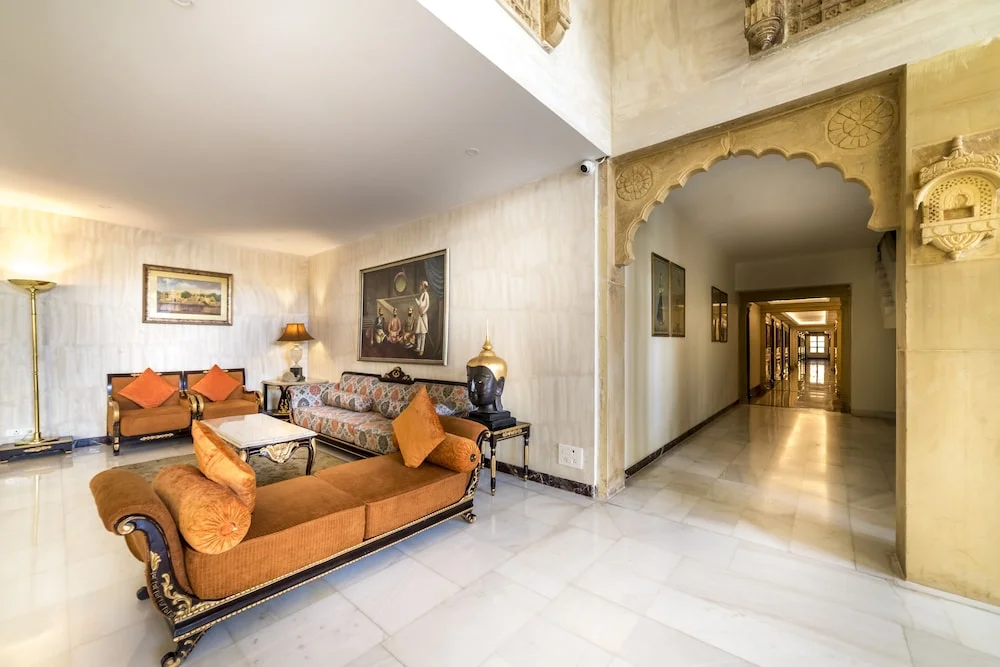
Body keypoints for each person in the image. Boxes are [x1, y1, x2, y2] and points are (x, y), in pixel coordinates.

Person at [414, 281, 430, 356]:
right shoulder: (422, 295)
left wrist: (423, 312)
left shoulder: (426, 294)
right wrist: (416, 300)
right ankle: (418, 347)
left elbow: (427, 305)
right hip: (419, 315)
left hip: (423, 315)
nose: (421, 286)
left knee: (423, 333)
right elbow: (420, 304)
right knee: (419, 332)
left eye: (422, 285)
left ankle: (422, 349)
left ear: (425, 287)